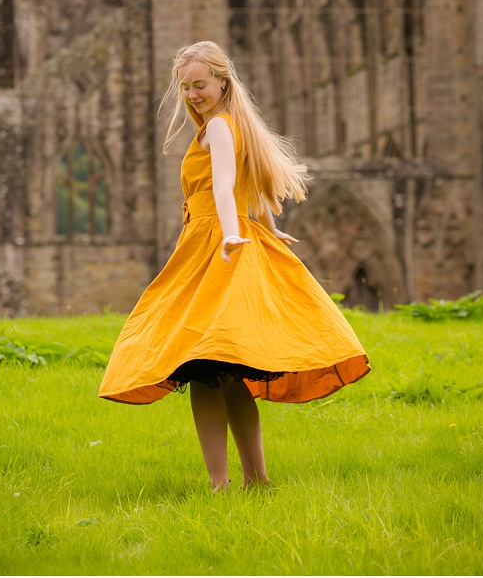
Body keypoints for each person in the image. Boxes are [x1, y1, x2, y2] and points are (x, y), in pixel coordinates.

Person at [99, 41, 370, 491]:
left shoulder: (220, 129)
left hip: (215, 245)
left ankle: (221, 484)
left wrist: (228, 232)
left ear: (223, 81)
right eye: (185, 87)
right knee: (225, 370)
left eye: (199, 85)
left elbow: (226, 187)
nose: (192, 95)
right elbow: (252, 184)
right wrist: (265, 224)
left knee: (203, 365)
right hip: (221, 237)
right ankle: (256, 481)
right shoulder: (231, 125)